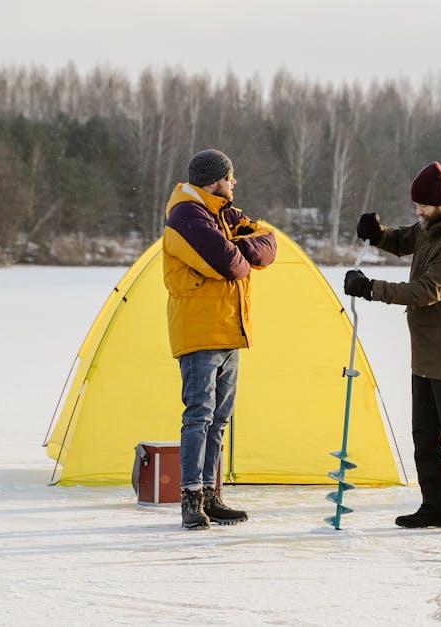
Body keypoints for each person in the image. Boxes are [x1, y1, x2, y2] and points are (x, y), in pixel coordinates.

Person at [342, 161, 441, 534]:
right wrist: (378, 234)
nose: (418, 212)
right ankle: (435, 507)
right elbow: (403, 240)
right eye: (416, 205)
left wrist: (370, 288)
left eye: (423, 206)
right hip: (425, 352)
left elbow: (426, 292)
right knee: (425, 437)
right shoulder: (431, 227)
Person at [162, 148, 277, 530]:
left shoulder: (222, 213)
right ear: (215, 180)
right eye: (230, 177)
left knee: (219, 420)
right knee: (199, 416)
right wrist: (239, 253)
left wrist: (238, 248)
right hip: (200, 333)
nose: (234, 182)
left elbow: (268, 242)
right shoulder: (186, 216)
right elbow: (227, 264)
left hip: (228, 330)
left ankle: (211, 497)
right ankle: (191, 499)